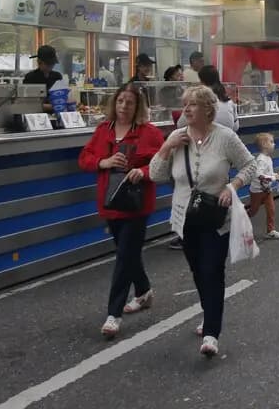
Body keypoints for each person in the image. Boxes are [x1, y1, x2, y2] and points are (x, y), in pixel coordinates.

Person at [148, 85, 258, 357]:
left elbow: (250, 165)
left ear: (208, 109)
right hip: (185, 218)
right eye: (185, 104)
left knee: (212, 271)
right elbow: (155, 175)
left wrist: (232, 186)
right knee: (198, 271)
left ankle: (211, 332)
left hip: (216, 218)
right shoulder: (176, 136)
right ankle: (209, 311)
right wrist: (166, 147)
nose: (186, 109)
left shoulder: (225, 138)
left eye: (193, 105)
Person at [78, 82, 163, 338]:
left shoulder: (149, 132)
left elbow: (162, 163)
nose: (124, 106)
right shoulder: (104, 130)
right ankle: (144, 291)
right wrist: (103, 162)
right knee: (128, 252)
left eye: (129, 102)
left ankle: (113, 315)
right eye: (120, 101)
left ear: (138, 106)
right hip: (110, 202)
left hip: (136, 205)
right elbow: (84, 158)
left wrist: (143, 171)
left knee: (124, 257)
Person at [168, 65, 238, 251]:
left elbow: (182, 124)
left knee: (194, 189)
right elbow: (236, 124)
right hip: (224, 151)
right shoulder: (228, 100)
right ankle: (219, 224)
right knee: (217, 188)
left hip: (199, 148)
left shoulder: (202, 100)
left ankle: (189, 231)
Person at [246, 132, 279, 239]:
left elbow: (268, 173)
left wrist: (276, 175)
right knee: (253, 211)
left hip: (267, 190)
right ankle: (240, 221)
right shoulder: (261, 159)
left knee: (271, 209)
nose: (274, 144)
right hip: (257, 191)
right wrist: (272, 178)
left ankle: (270, 230)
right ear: (264, 144)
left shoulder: (268, 158)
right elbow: (259, 175)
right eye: (271, 142)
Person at [22, 45, 63, 112]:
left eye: (52, 63)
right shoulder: (30, 78)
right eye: (48, 63)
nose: (51, 66)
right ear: (39, 62)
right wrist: (48, 107)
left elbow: (61, 96)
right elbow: (27, 103)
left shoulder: (57, 76)